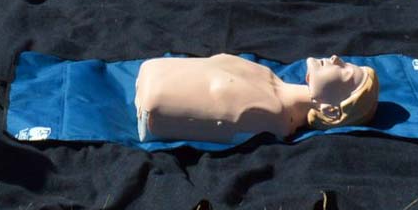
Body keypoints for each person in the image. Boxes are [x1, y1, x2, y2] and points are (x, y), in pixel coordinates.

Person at [134, 54, 379, 144]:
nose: (337, 58)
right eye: (347, 62)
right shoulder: (268, 75)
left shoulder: (272, 118)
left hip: (151, 98)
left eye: (347, 73)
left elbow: (154, 108)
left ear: (331, 111)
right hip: (153, 74)